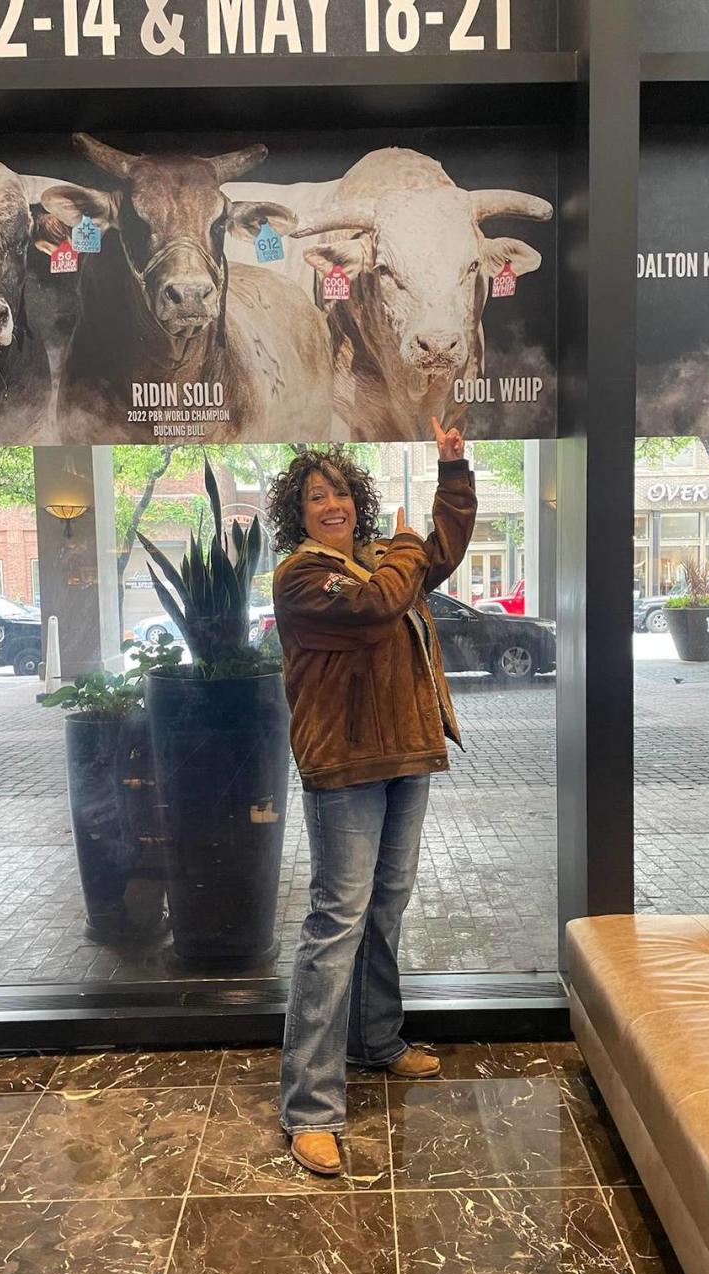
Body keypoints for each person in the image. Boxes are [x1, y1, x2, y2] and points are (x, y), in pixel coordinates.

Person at [266, 418, 476, 1176]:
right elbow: (376, 608)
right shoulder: (303, 576)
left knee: (385, 906)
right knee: (336, 923)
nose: (334, 504)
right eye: (318, 496)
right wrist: (404, 550)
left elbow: (436, 555)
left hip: (407, 754)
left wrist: (454, 471)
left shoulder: (382, 562)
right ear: (301, 512)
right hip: (346, 767)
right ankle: (310, 1107)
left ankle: (377, 1041)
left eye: (343, 492)